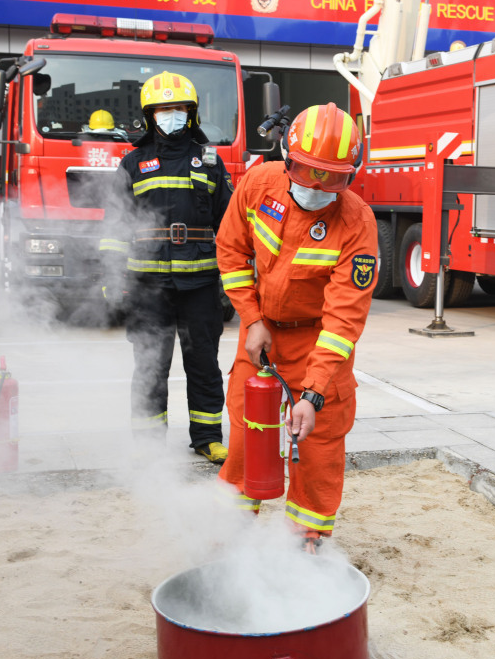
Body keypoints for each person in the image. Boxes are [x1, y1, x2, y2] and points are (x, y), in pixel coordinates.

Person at [215, 103, 377, 552]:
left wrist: (313, 392)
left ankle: (306, 542)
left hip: (317, 340)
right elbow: (230, 251)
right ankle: (231, 535)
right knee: (249, 436)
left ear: (352, 173)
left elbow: (344, 317)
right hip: (262, 334)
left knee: (319, 447)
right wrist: (251, 319)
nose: (318, 186)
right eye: (307, 171)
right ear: (286, 157)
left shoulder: (357, 223)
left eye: (334, 177)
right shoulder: (259, 183)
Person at [98, 72, 232, 464]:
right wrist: (111, 274)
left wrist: (237, 279)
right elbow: (114, 226)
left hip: (201, 284)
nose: (170, 115)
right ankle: (148, 442)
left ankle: (207, 438)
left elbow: (230, 225)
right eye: (163, 109)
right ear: (149, 115)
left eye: (179, 109)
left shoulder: (209, 161)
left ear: (191, 114)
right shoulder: (133, 162)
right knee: (150, 366)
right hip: (147, 286)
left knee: (204, 364)